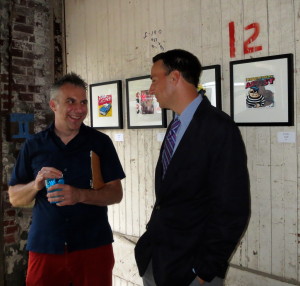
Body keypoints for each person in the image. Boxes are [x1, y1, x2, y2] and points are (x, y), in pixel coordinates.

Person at [134, 49, 250, 286]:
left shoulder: (219, 128)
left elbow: (232, 208)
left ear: (175, 77)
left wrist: (204, 270)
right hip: (157, 260)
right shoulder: (176, 125)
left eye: (155, 80)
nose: (151, 89)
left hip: (192, 269)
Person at [8, 72, 125, 286]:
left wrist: (79, 194)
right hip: (46, 245)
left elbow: (116, 194)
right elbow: (15, 198)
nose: (79, 110)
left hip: (92, 244)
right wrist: (36, 184)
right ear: (53, 105)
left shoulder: (101, 143)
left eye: (83, 102)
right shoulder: (33, 145)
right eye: (70, 102)